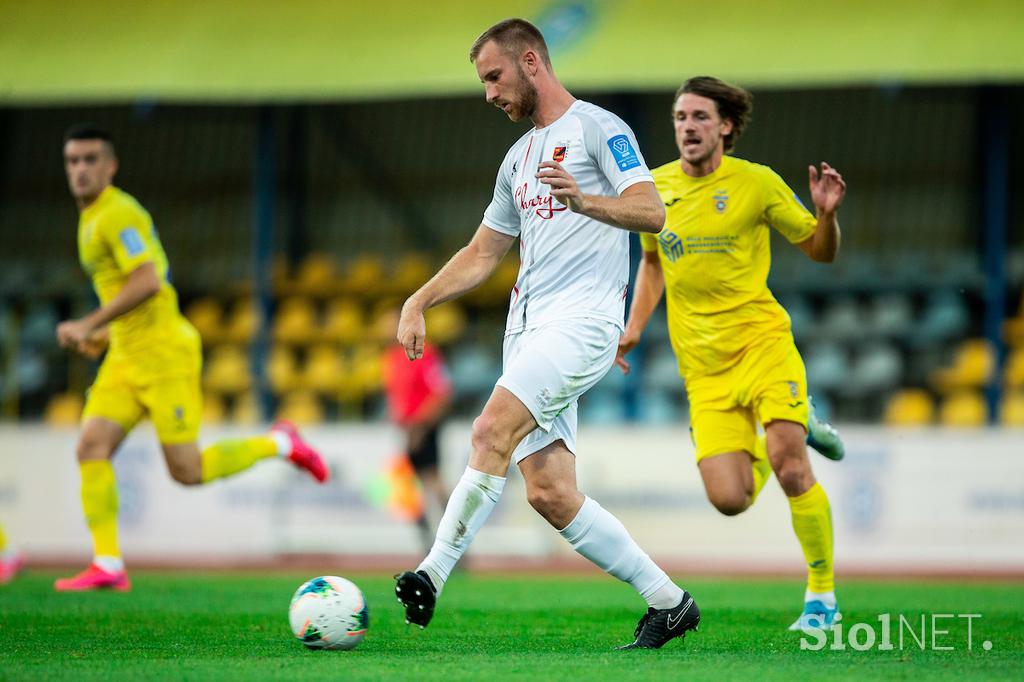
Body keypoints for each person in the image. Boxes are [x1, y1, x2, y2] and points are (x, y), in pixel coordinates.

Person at [393, 19, 699, 650]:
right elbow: (482, 252)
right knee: (552, 495)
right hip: (527, 330)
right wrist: (419, 299)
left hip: (582, 322)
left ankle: (432, 573)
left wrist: (585, 200)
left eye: (494, 77)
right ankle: (670, 604)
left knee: (487, 430)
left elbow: (651, 210)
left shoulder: (599, 128)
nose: (489, 94)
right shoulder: (518, 158)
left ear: (531, 61)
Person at [54, 124, 328, 592]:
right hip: (125, 355)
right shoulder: (90, 217)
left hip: (164, 355)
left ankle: (280, 443)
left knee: (188, 470)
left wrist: (89, 323)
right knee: (90, 447)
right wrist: (106, 335)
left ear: (111, 165)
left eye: (90, 160)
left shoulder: (118, 214)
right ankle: (108, 563)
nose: (81, 170)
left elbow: (148, 281)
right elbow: (127, 291)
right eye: (73, 161)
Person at [616, 76, 846, 631]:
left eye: (699, 117)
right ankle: (793, 424)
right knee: (729, 498)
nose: (687, 127)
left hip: (762, 344)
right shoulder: (655, 189)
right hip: (704, 367)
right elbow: (651, 265)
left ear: (725, 126)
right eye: (679, 117)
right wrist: (633, 328)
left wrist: (827, 215)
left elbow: (820, 252)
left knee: (793, 464)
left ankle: (822, 598)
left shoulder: (757, 183)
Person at [381, 308, 453, 550]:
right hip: (408, 430)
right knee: (411, 485)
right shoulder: (391, 357)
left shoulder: (426, 353)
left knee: (432, 480)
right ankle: (432, 540)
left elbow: (441, 393)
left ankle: (453, 538)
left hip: (424, 428)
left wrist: (420, 426)